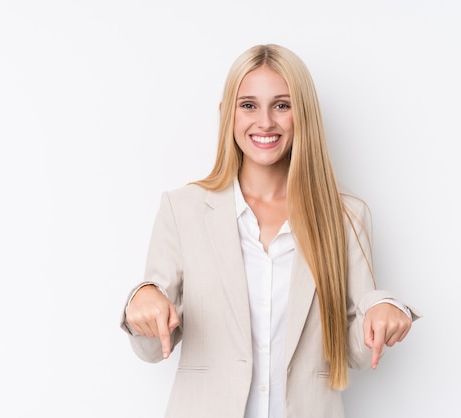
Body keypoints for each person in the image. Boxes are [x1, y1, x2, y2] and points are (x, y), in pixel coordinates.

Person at [120, 43, 421, 418]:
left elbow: (356, 353)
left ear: (303, 114)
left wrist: (384, 308)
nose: (265, 121)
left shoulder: (346, 216)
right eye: (248, 105)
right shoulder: (183, 210)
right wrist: (142, 299)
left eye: (282, 105)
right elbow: (152, 349)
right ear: (227, 114)